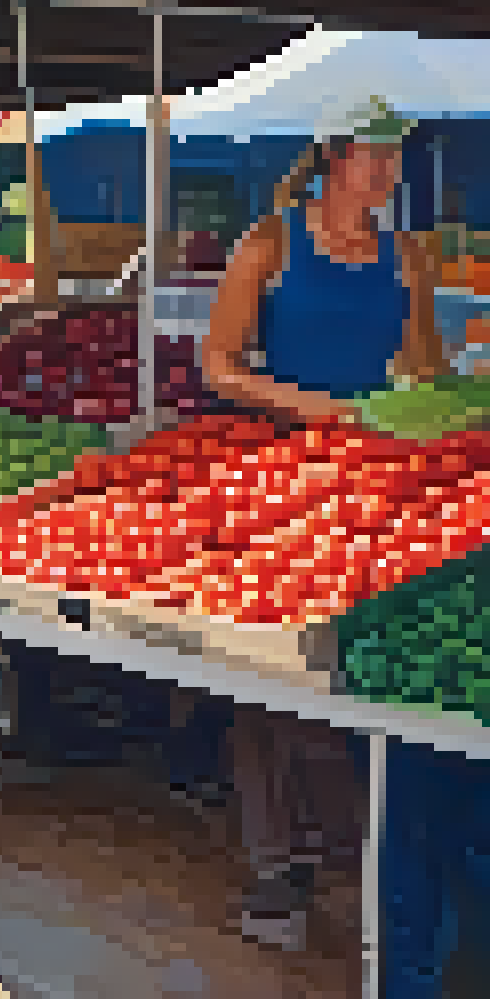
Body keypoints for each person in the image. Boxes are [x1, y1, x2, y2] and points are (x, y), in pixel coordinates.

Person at [202, 118, 444, 956]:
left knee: (348, 662)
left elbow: (423, 368)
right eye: (375, 157)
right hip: (277, 475)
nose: (386, 173)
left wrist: (443, 408)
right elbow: (218, 364)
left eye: (395, 159)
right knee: (265, 668)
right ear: (337, 159)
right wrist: (307, 405)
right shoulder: (268, 242)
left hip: (372, 484)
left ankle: (348, 849)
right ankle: (276, 865)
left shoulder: (408, 255)